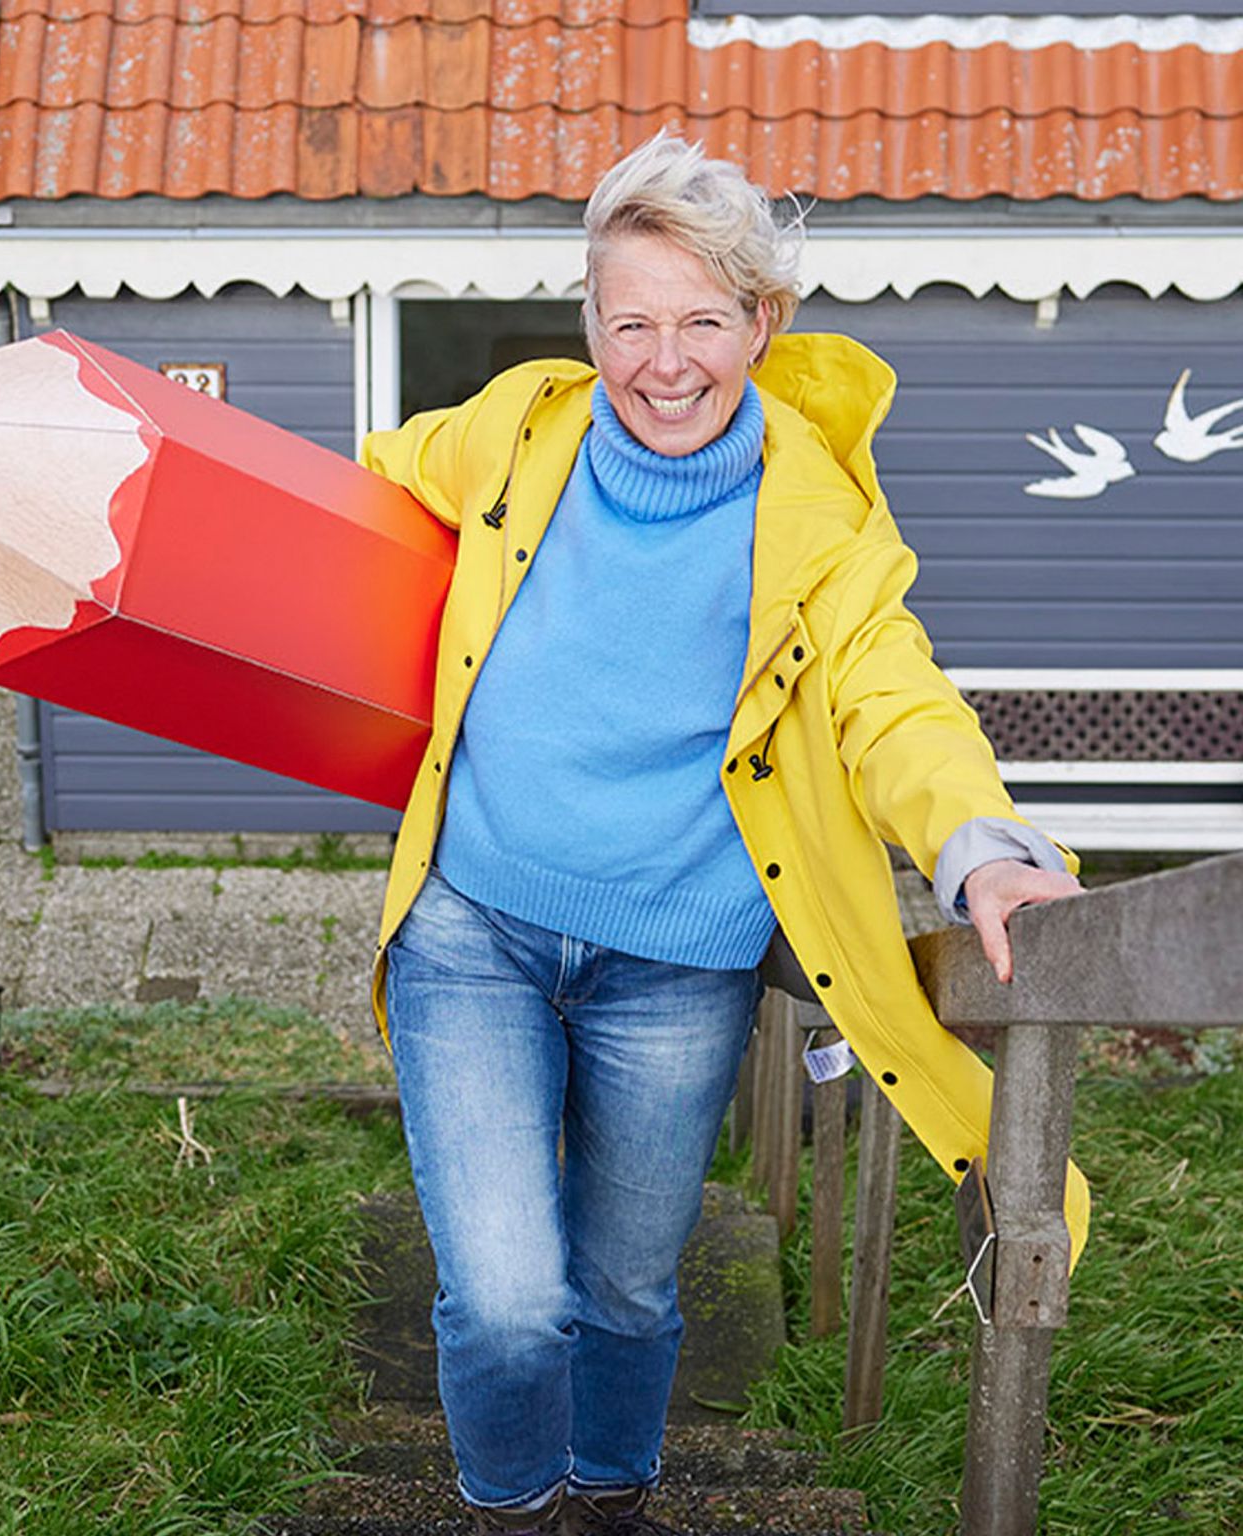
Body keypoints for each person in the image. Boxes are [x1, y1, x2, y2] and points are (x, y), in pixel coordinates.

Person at [358, 133, 1089, 1536]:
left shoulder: (824, 522)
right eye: (630, 321)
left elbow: (896, 705)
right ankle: (514, 1513)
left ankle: (613, 1505)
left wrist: (979, 841)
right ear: (589, 323)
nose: (665, 361)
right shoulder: (519, 424)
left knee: (628, 1290)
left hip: (672, 967)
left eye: (704, 320)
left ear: (765, 321)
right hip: (475, 927)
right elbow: (362, 493)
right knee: (507, 1305)